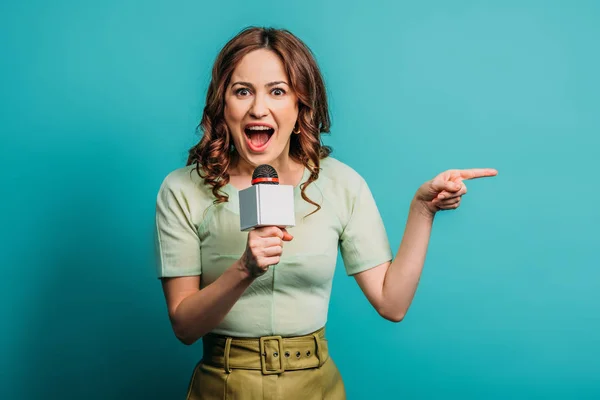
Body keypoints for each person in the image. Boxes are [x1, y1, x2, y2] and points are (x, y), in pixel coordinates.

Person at [154, 26, 497, 400]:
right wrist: (244, 269)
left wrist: (423, 210)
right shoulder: (183, 189)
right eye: (242, 91)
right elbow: (184, 327)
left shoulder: (340, 184)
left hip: (316, 385)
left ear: (301, 103)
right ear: (223, 104)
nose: (258, 108)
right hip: (224, 385)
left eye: (277, 91)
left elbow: (392, 303)